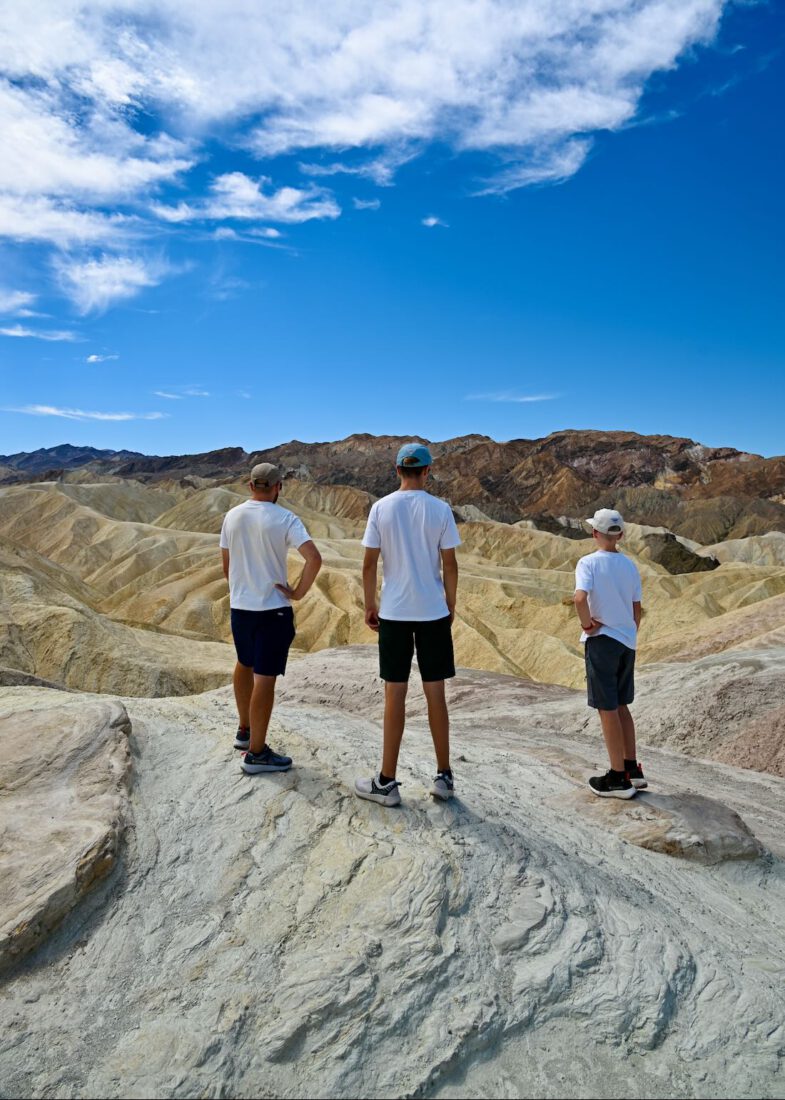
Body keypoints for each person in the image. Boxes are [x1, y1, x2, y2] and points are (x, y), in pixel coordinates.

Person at [356, 442, 461, 806]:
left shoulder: (381, 508)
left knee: (394, 695)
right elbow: (450, 564)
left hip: (395, 613)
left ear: (397, 470)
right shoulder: (441, 509)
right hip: (432, 613)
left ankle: (387, 781)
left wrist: (370, 605)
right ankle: (444, 776)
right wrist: (449, 603)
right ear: (427, 472)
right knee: (436, 695)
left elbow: (369, 564)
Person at [220, 462, 322, 774]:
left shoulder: (232, 516)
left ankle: (244, 731)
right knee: (264, 677)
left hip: (241, 607)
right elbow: (314, 558)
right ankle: (257, 754)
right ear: (278, 487)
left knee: (244, 662)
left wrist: (241, 588)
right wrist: (298, 592)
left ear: (250, 486)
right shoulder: (285, 518)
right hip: (272, 610)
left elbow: (227, 564)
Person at [574, 508, 646, 799]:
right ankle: (632, 768)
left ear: (594, 533)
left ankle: (617, 778)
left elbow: (579, 598)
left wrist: (588, 624)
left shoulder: (587, 563)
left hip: (602, 641)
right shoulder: (630, 566)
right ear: (621, 535)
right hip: (626, 641)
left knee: (607, 708)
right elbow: (636, 608)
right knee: (621, 706)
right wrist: (628, 631)